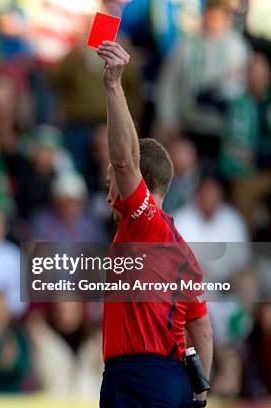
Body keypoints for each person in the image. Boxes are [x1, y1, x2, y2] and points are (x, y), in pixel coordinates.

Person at [97, 41, 213, 408]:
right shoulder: (184, 254)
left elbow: (125, 162)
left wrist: (114, 86)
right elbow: (203, 331)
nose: (108, 191)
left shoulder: (144, 224)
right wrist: (200, 394)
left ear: (139, 187)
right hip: (172, 382)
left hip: (137, 379)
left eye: (112, 183)